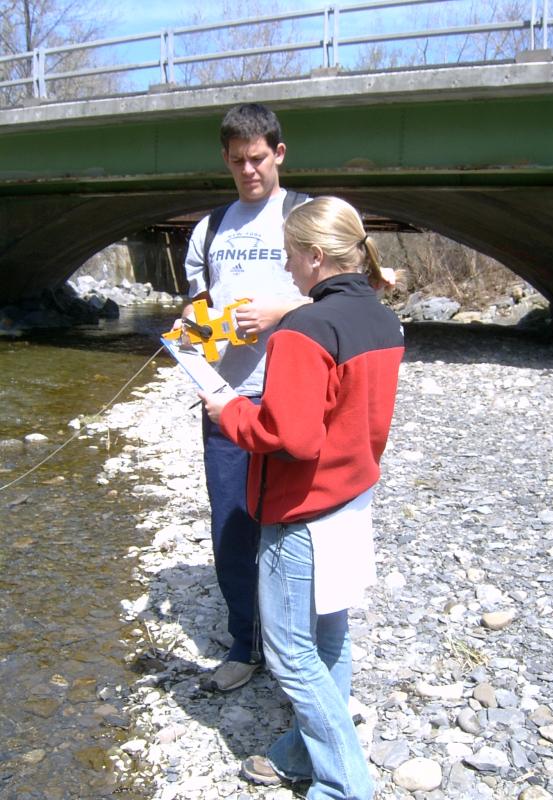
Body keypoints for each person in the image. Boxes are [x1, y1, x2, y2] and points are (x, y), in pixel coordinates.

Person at [199, 196, 405, 800]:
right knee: (330, 639)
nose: (286, 268)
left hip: (301, 517)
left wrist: (227, 408)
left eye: (291, 255)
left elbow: (287, 435)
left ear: (315, 256)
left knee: (290, 656)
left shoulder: (304, 330)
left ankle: (346, 787)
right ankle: (299, 751)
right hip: (351, 502)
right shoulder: (381, 319)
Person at [180, 103, 310, 692]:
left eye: (258, 159)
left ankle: (301, 648)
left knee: (296, 527)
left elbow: (348, 297)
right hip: (225, 402)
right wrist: (193, 318)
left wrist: (284, 309)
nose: (249, 171)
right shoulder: (209, 227)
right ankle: (245, 642)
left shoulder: (306, 218)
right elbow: (196, 303)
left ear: (278, 153)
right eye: (237, 162)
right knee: (232, 524)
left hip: (293, 398)